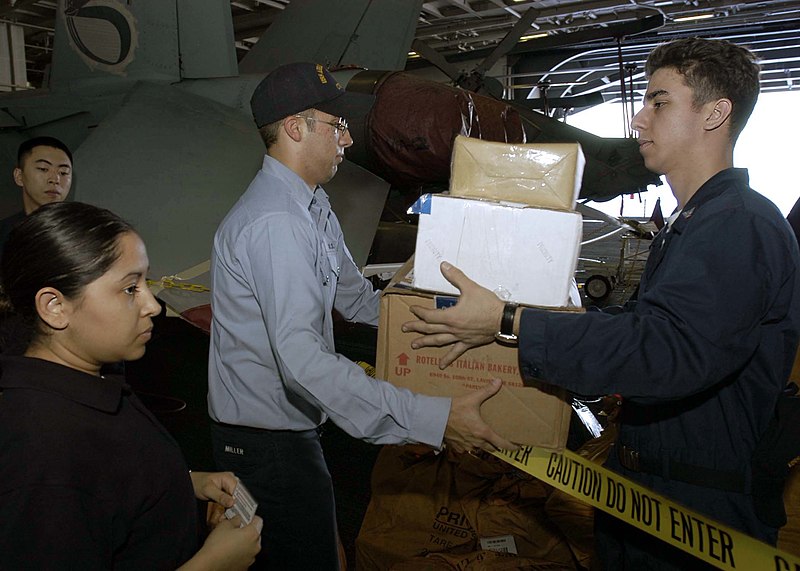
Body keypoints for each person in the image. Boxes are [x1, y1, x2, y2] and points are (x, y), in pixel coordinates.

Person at [403, 38, 800, 570]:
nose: (639, 120)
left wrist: (508, 320)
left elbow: (666, 352)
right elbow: (647, 324)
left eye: (659, 102)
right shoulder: (697, 222)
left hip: (698, 511)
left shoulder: (739, 224)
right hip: (657, 493)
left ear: (715, 113)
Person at [207, 62, 516, 570]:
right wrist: (433, 418)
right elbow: (302, 361)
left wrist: (452, 320)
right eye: (338, 126)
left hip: (293, 430)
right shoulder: (276, 224)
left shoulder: (310, 206)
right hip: (266, 444)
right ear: (294, 128)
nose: (348, 140)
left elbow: (356, 299)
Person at [0, 201, 263, 569]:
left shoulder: (89, 378)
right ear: (55, 306)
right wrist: (212, 565)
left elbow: (105, 481)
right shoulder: (42, 456)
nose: (153, 305)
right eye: (129, 288)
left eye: (145, 282)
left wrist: (184, 483)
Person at [0, 136, 73, 254]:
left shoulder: (84, 231)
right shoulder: (4, 234)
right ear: (19, 176)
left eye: (63, 173)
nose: (55, 179)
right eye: (43, 169)